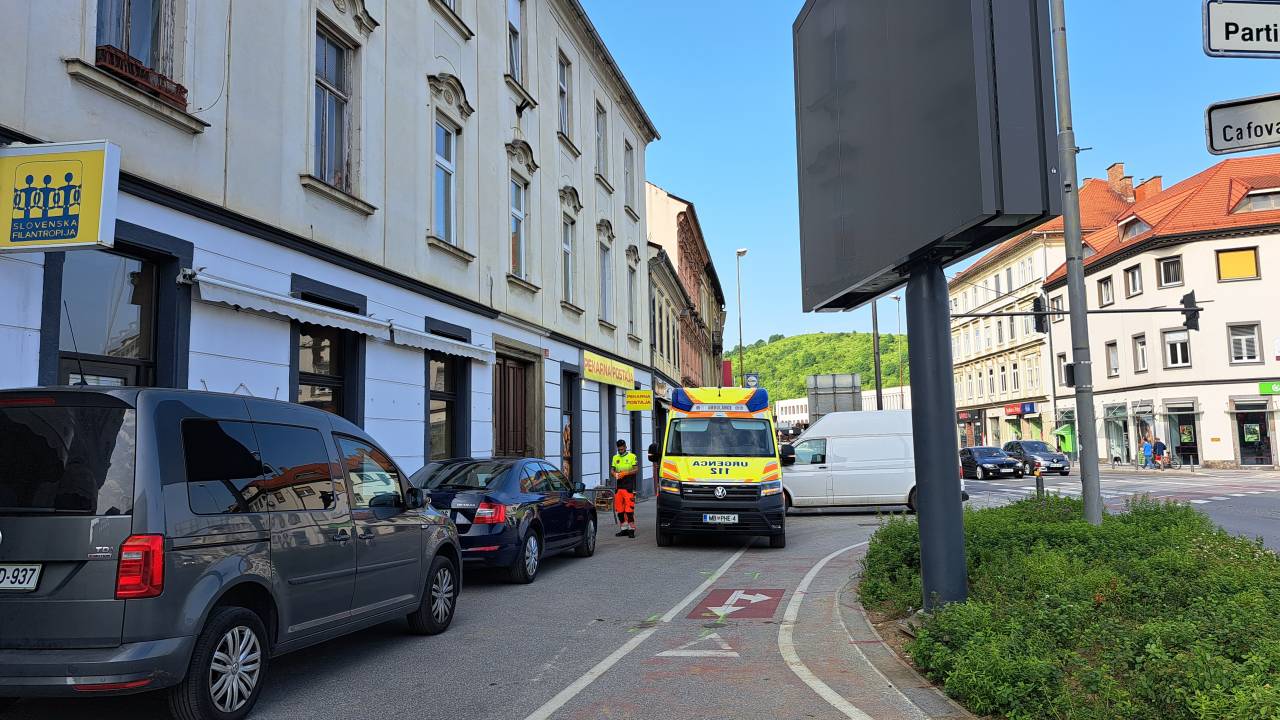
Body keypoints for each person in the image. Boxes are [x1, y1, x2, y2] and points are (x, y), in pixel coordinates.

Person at [611, 439, 638, 538]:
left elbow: (636, 470)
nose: (620, 451)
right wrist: (614, 474)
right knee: (620, 510)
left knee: (629, 510)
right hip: (619, 487)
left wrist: (625, 473)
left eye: (622, 449)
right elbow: (612, 470)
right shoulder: (615, 457)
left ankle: (631, 530)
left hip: (629, 487)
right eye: (619, 449)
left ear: (626, 447)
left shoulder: (632, 456)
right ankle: (624, 529)